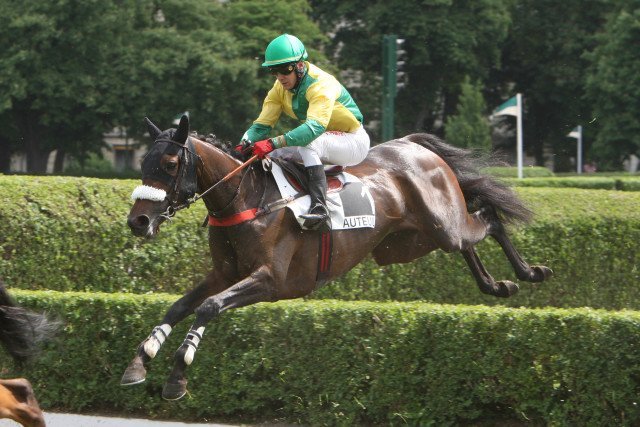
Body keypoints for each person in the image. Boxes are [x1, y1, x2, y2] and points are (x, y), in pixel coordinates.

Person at [237, 34, 370, 230]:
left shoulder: (320, 84)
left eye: (285, 70)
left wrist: (272, 142)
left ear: (300, 65)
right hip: (326, 141)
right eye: (274, 71)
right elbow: (261, 126)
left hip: (353, 141)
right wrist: (243, 144)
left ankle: (320, 207)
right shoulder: (279, 88)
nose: (280, 77)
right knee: (273, 155)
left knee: (307, 144)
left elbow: (314, 129)